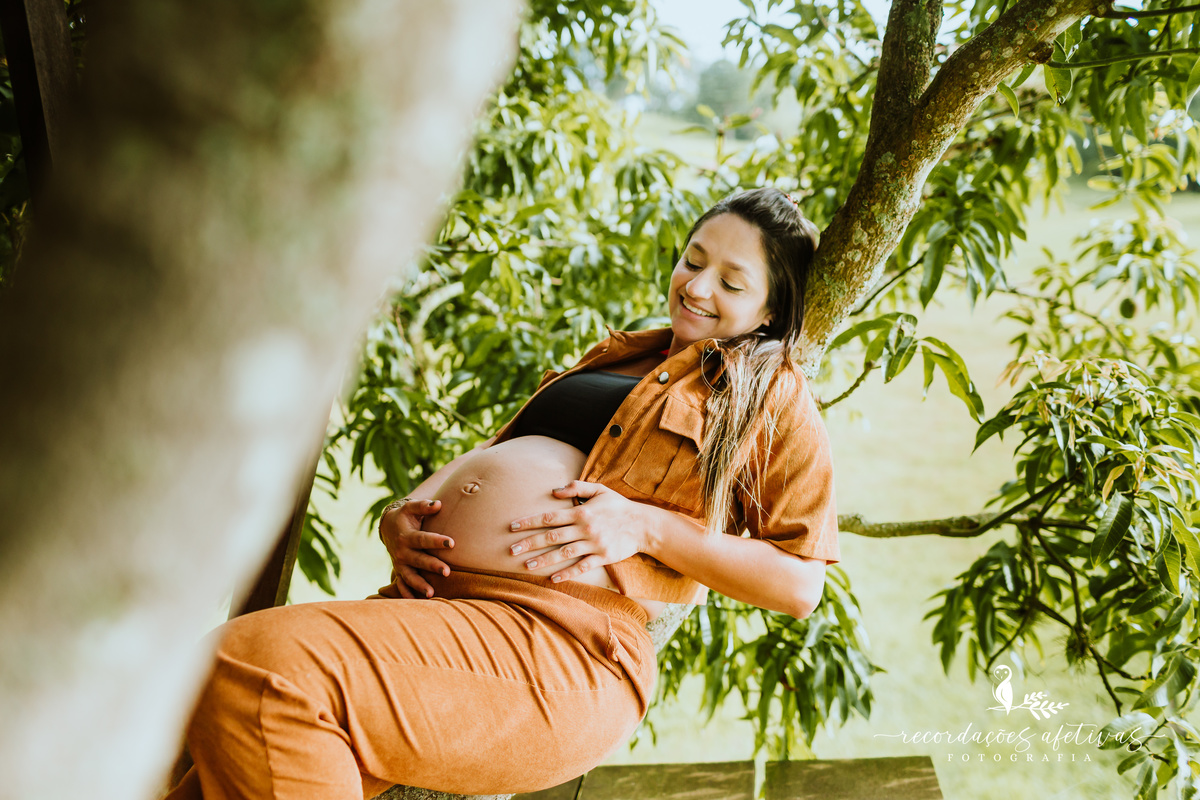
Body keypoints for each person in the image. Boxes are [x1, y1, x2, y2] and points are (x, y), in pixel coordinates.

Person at [165, 187, 840, 800]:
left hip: (559, 642)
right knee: (184, 755)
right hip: (441, 610)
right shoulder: (623, 356)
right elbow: (497, 457)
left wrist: (645, 528)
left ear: (770, 309)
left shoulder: (770, 391)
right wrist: (403, 515)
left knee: (257, 667)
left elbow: (799, 584)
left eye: (730, 281)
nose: (697, 286)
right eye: (693, 261)